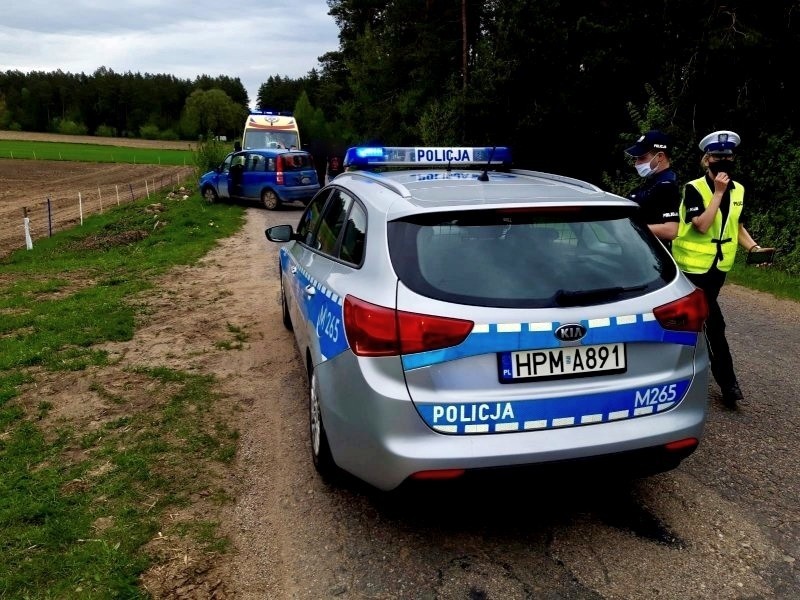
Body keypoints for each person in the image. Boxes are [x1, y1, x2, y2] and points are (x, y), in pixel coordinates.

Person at [672, 130, 771, 409]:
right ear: (706, 160)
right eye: (717, 156)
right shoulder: (694, 189)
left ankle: (688, 372)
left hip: (718, 269)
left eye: (727, 156)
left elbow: (737, 226)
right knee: (714, 323)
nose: (723, 160)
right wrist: (717, 192)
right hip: (692, 269)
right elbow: (701, 225)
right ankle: (728, 385)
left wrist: (753, 248)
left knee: (700, 323)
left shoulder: (739, 190)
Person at [624, 130, 681, 249]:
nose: (636, 163)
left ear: (660, 156)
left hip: (653, 257)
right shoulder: (652, 182)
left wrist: (631, 228)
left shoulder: (667, 186)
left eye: (642, 157)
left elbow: (671, 230)